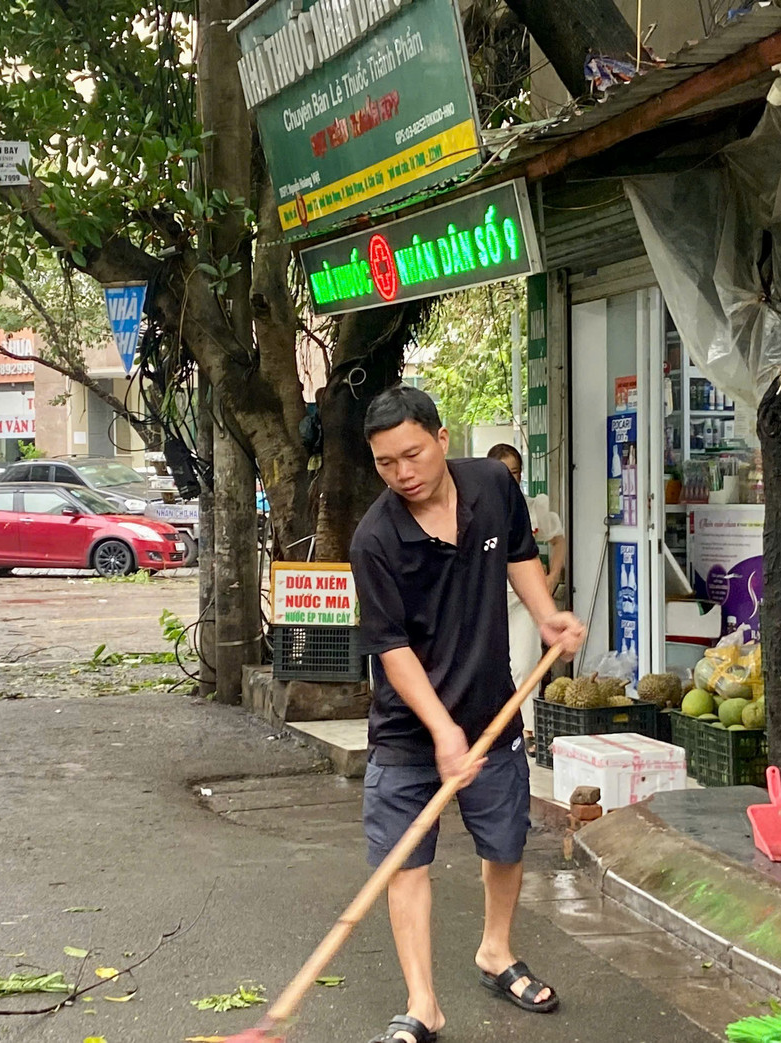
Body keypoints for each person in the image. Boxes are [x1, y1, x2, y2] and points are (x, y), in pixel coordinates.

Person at [350, 386, 585, 1043]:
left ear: (442, 438)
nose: (403, 472)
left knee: (505, 842)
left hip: (491, 708)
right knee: (406, 860)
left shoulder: (490, 485)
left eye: (412, 453)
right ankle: (422, 1002)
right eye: (385, 462)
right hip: (408, 728)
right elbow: (391, 650)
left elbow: (519, 556)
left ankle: (495, 950)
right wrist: (442, 731)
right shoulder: (375, 539)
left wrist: (547, 616)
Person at [485, 444, 567, 747]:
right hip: (489, 601)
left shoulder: (533, 508)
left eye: (515, 474)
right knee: (492, 665)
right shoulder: (476, 508)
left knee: (524, 663)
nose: (510, 480)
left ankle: (525, 730)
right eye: (503, 474)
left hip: (523, 601)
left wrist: (552, 576)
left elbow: (558, 540)